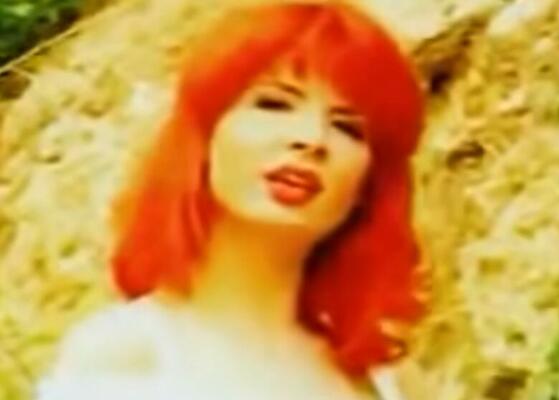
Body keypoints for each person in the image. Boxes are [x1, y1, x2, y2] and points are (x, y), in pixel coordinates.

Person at [35, 1, 427, 399]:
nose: (312, 138)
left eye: (347, 127)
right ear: (204, 138)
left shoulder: (381, 380)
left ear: (368, 186)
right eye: (275, 104)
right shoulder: (127, 357)